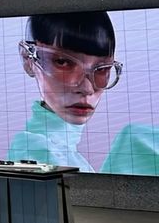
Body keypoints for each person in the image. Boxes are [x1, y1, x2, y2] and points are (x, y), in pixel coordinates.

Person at [7, 11, 121, 170]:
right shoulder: (37, 150)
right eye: (63, 62)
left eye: (102, 69)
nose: (87, 89)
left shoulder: (64, 153)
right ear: (28, 58)